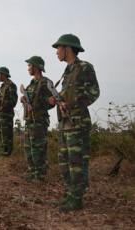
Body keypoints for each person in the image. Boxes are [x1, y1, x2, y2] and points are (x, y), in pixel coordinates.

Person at [48, 34, 100, 211]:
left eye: (58, 48)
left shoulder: (84, 67)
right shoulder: (67, 72)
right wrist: (57, 100)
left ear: (67, 49)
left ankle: (77, 199)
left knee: (77, 163)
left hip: (78, 123)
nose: (56, 52)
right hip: (65, 124)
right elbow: (67, 94)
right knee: (64, 162)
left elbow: (93, 93)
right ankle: (70, 194)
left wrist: (72, 104)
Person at [20, 56, 54, 183]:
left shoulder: (46, 82)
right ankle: (33, 174)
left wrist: (37, 105)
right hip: (29, 122)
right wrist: (23, 100)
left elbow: (52, 102)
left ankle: (40, 176)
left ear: (36, 67)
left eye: (30, 65)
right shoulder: (30, 85)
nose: (28, 68)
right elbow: (27, 100)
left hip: (39, 122)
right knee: (29, 149)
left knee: (38, 150)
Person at [0, 67, 18, 157]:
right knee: (1, 136)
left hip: (7, 115)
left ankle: (8, 156)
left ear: (4, 75)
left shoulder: (11, 85)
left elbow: (13, 101)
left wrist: (3, 107)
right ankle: (4, 156)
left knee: (6, 137)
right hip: (1, 115)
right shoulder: (2, 86)